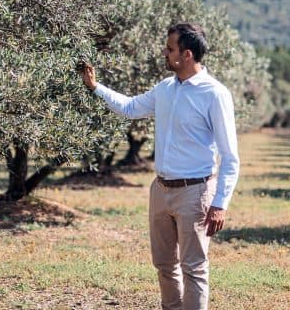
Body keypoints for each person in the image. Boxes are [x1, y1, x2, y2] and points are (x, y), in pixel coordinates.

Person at [80, 22, 240, 310]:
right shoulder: (165, 89)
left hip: (196, 192)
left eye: (170, 49)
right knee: (164, 265)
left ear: (187, 55)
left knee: (193, 267)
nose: (164, 53)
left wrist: (220, 204)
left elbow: (230, 156)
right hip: (160, 190)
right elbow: (130, 108)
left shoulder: (215, 94)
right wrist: (95, 87)